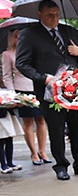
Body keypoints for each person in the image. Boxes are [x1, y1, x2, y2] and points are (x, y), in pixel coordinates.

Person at [16, 0, 78, 180]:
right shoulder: (29, 35)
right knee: (56, 128)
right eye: (49, 15)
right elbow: (22, 64)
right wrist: (43, 78)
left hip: (74, 89)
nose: (54, 18)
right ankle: (61, 165)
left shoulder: (70, 31)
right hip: (50, 91)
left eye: (57, 14)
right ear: (40, 14)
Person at [3, 28, 50, 165]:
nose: (19, 39)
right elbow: (7, 76)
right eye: (17, 37)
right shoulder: (8, 54)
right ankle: (33, 153)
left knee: (41, 119)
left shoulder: (33, 50)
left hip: (37, 86)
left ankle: (43, 151)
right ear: (12, 38)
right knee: (28, 121)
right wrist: (14, 95)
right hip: (21, 89)